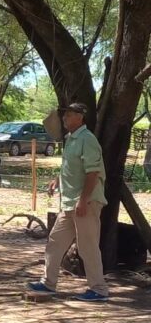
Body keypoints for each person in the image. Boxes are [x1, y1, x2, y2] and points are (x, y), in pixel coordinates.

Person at [27, 102, 109, 302]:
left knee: (87, 246)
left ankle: (99, 289)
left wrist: (83, 200)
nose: (64, 118)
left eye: (69, 115)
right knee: (55, 242)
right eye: (65, 115)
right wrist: (58, 180)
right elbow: (72, 167)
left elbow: (92, 172)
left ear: (80, 117)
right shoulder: (71, 139)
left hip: (85, 203)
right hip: (69, 203)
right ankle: (48, 283)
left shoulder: (87, 139)